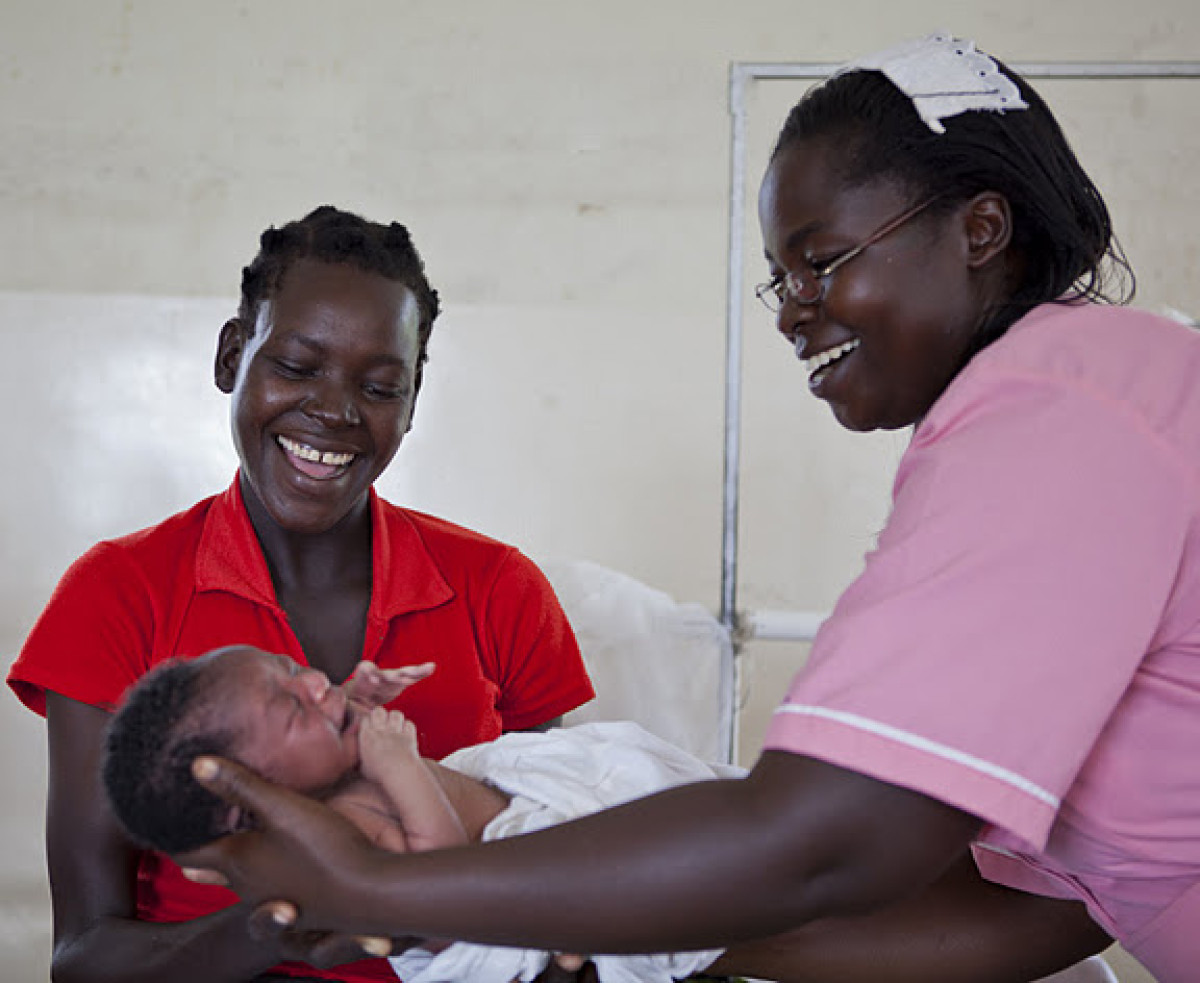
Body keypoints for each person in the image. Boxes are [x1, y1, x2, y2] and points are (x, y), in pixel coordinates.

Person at [174, 35, 1199, 983]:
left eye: (822, 259)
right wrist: (642, 936)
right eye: (778, 278)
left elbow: (825, 837)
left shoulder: (1062, 414)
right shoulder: (1066, 401)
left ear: (980, 229)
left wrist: (381, 886)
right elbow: (1046, 901)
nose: (795, 308)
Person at [6, 205, 595, 983]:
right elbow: (83, 957)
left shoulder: (500, 589)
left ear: (413, 399)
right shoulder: (119, 592)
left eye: (381, 384)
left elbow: (553, 843)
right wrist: (295, 915)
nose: (335, 410)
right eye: (296, 365)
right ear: (230, 356)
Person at [102, 644, 744, 983]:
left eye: (294, 669)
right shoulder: (346, 832)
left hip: (535, 817)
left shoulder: (330, 775)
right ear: (246, 800)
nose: (317, 684)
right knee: (707, 840)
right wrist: (399, 765)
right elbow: (438, 888)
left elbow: (318, 744)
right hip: (520, 891)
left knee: (698, 799)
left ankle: (754, 812)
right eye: (295, 707)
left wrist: (354, 701)